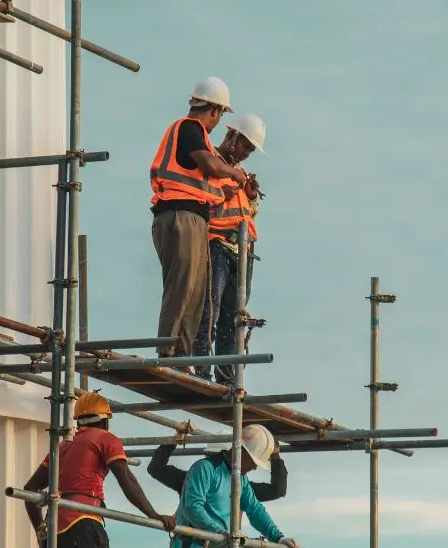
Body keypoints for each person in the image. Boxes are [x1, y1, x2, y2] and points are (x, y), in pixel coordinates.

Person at [150, 77, 250, 362]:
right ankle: (168, 351)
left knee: (195, 292)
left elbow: (204, 180)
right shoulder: (189, 128)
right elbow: (208, 164)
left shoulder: (197, 138)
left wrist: (231, 188)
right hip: (179, 216)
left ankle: (182, 353)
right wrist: (233, 174)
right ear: (216, 110)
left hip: (192, 218)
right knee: (182, 285)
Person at [23, 392, 176, 547]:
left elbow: (30, 489)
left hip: (55, 529)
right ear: (104, 420)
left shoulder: (61, 446)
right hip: (83, 521)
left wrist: (40, 530)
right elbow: (126, 478)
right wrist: (153, 514)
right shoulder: (105, 438)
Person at [192, 113, 267, 384]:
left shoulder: (240, 173)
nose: (247, 153)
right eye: (245, 145)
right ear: (232, 135)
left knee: (232, 320)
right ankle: (201, 371)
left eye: (251, 148)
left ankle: (226, 379)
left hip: (242, 252)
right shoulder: (211, 161)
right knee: (208, 312)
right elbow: (202, 199)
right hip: (217, 246)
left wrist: (250, 196)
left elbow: (246, 212)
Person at [169, 425, 300, 548]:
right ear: (241, 450)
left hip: (218, 543)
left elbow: (255, 509)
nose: (254, 467)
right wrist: (220, 533)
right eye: (254, 461)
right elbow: (193, 507)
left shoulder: (241, 479)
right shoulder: (205, 468)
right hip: (192, 544)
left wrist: (278, 538)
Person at [146, 436, 287, 502]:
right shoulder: (191, 479)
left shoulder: (240, 488)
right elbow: (156, 469)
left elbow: (277, 490)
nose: (213, 464)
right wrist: (174, 439)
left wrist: (275, 456)